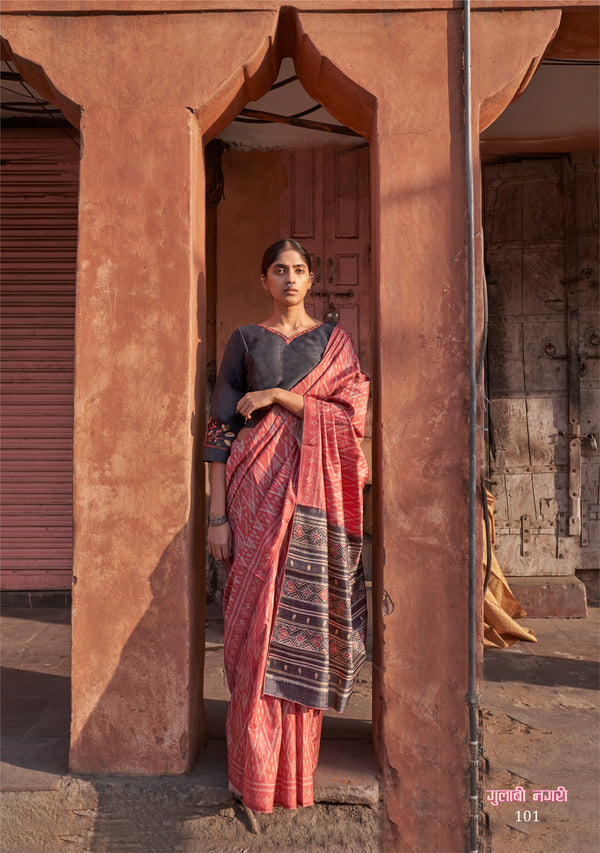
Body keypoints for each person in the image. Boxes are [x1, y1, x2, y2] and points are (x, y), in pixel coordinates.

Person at [202, 238, 370, 814]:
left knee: (300, 629)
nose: (291, 278)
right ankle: (251, 768)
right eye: (280, 270)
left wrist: (278, 395)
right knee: (251, 629)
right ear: (265, 279)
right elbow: (219, 433)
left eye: (300, 270)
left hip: (312, 501)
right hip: (251, 496)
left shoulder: (334, 343)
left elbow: (352, 418)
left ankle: (293, 775)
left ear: (312, 277)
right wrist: (217, 516)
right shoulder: (246, 340)